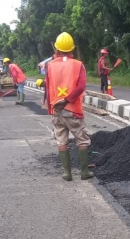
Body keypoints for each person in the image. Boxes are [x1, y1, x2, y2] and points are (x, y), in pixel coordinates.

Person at [45, 32, 93, 181]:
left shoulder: (50, 65)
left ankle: (67, 173)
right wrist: (67, 100)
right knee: (82, 140)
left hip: (56, 111)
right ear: (72, 49)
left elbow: (47, 87)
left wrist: (51, 108)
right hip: (73, 111)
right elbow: (81, 86)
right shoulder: (78, 65)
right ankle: (84, 172)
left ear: (57, 50)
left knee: (61, 140)